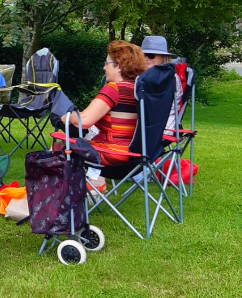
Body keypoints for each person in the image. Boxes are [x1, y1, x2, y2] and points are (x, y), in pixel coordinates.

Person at [60, 41, 145, 190]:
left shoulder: (113, 89)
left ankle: (58, 194)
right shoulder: (139, 90)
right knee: (85, 143)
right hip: (136, 158)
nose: (104, 67)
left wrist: (67, 117)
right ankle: (95, 185)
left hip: (111, 155)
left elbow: (83, 121)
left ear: (119, 65)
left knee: (59, 146)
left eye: (107, 63)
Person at [141, 36, 182, 135]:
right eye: (143, 55)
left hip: (161, 129)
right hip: (147, 127)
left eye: (151, 55)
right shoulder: (143, 76)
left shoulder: (169, 78)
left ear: (163, 57)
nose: (146, 58)